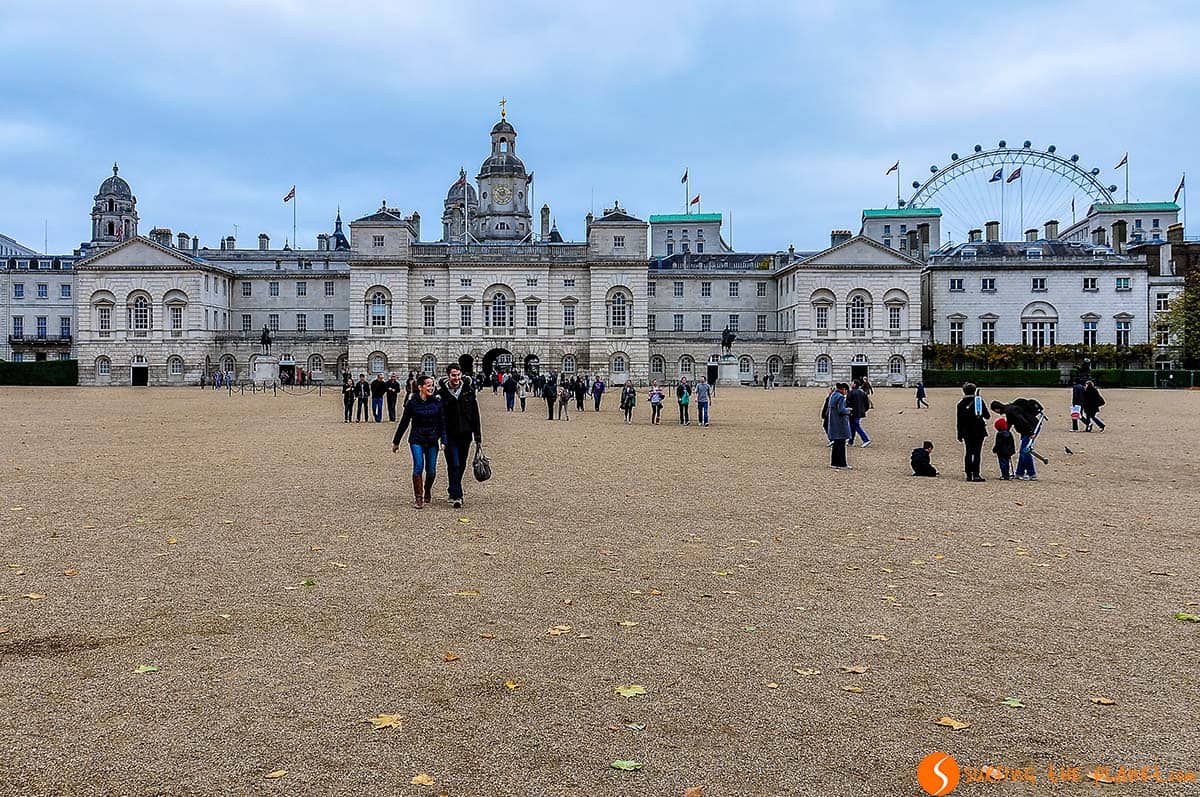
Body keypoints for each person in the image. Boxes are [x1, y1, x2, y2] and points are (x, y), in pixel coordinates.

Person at [392, 374, 445, 510]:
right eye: (428, 385)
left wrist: (443, 440)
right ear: (420, 387)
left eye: (432, 385)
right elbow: (404, 422)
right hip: (417, 439)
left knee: (431, 470)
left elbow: (442, 423)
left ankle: (427, 489)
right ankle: (419, 497)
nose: (431, 388)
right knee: (418, 466)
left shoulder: (437, 402)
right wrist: (396, 441)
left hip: (432, 439)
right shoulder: (412, 403)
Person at [437, 365, 482, 509]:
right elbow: (439, 417)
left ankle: (453, 489)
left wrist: (478, 436)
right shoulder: (441, 393)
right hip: (449, 435)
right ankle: (458, 495)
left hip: (465, 434)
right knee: (454, 464)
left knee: (461, 464)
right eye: (453, 375)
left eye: (458, 375)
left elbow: (475, 414)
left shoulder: (468, 391)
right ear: (448, 376)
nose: (456, 378)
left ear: (461, 375)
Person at [989, 397, 1044, 481]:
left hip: (1031, 429)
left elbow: (1021, 420)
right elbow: (1009, 424)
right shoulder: (1010, 409)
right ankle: (1019, 472)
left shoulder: (1010, 411)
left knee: (1025, 451)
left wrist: (1030, 432)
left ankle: (1031, 473)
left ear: (997, 409)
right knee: (1023, 451)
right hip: (1030, 428)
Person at [955, 382, 990, 482]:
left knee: (968, 452)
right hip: (979, 430)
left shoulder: (960, 404)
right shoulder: (979, 401)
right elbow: (987, 416)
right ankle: (976, 474)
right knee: (977, 453)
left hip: (966, 431)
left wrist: (959, 433)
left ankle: (968, 474)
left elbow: (959, 421)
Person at [826, 383, 852, 469]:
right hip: (840, 423)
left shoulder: (833, 395)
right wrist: (848, 410)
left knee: (836, 445)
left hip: (833, 422)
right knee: (841, 444)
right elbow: (841, 410)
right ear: (843, 389)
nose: (846, 393)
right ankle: (842, 464)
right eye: (846, 391)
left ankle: (834, 463)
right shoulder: (840, 397)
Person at [847, 380, 872, 448]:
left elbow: (848, 403)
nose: (850, 384)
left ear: (855, 384)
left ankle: (866, 439)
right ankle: (850, 441)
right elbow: (867, 404)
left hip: (853, 412)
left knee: (856, 426)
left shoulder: (851, 392)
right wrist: (863, 410)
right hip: (860, 412)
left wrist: (848, 411)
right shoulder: (862, 393)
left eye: (852, 383)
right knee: (852, 426)